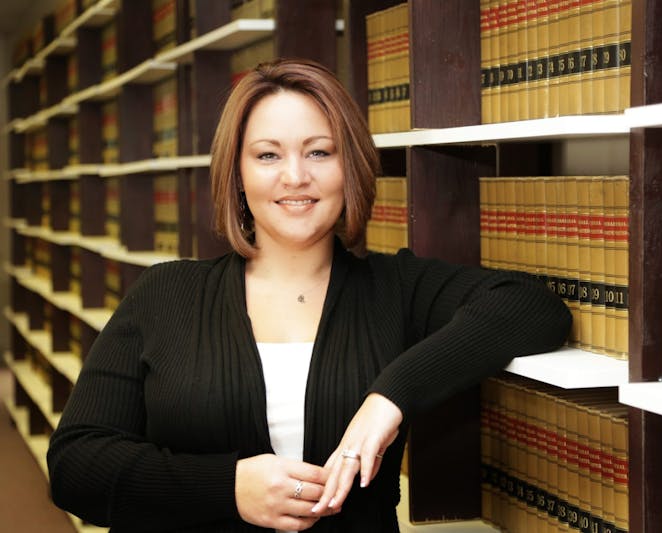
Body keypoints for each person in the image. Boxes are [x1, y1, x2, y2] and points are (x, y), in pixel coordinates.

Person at [47, 58, 572, 532]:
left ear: (352, 167)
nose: (295, 177)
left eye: (320, 152)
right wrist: (225, 487)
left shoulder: (395, 288)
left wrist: (390, 396)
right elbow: (75, 466)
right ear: (237, 174)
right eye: (268, 155)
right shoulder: (165, 293)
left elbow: (533, 306)